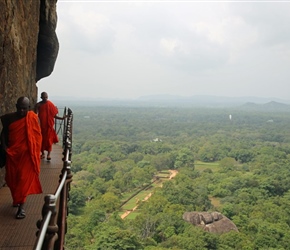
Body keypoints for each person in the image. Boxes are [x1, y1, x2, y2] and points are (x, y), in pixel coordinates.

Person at [0, 96, 42, 219]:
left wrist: (35, 151)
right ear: (16, 107)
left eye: (24, 109)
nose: (22, 111)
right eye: (19, 108)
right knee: (12, 180)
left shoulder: (33, 118)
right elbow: (3, 133)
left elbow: (37, 137)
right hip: (12, 155)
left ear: (29, 108)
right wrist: (4, 147)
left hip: (27, 156)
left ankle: (21, 208)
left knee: (23, 180)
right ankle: (16, 199)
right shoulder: (9, 118)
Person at [34, 92, 65, 161]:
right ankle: (43, 153)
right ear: (41, 97)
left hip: (48, 127)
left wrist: (61, 118)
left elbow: (54, 115)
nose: (45, 98)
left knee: (48, 140)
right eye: (44, 97)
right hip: (41, 126)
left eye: (46, 97)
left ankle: (48, 155)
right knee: (41, 140)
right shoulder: (38, 105)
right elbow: (35, 115)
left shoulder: (50, 104)